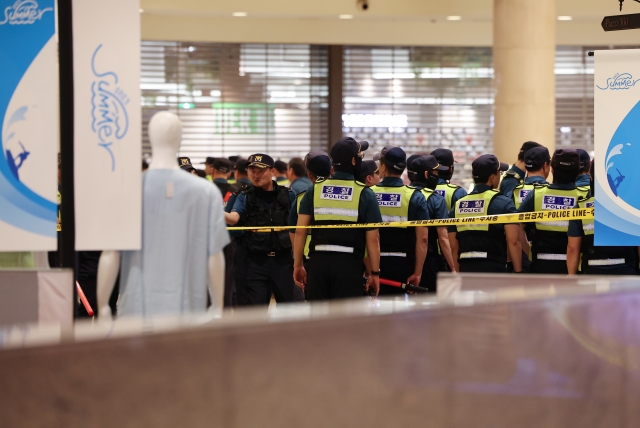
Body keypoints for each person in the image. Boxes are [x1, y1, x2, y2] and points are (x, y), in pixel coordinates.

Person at [293, 137, 381, 300]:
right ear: (354, 161)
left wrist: (298, 264)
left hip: (317, 264)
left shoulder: (314, 190)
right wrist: (374, 273)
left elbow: (300, 231)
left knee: (318, 318)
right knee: (344, 322)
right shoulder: (365, 193)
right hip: (348, 266)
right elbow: (373, 239)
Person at [225, 154, 297, 305]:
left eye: (261, 171)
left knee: (289, 308)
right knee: (255, 309)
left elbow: (297, 227)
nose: (256, 175)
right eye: (252, 171)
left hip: (282, 261)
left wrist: (298, 260)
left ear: (272, 171)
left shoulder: (288, 195)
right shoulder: (244, 196)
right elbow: (233, 218)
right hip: (255, 262)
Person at [448, 154, 521, 273]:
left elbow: (453, 246)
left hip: (466, 268)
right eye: (499, 173)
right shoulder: (504, 203)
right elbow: (513, 240)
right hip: (493, 269)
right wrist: (518, 272)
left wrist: (458, 273)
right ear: (492, 177)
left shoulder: (457, 206)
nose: (500, 176)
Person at [373, 147, 430, 295]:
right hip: (404, 264)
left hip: (375, 262)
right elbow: (423, 238)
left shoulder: (369, 194)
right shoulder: (415, 197)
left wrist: (369, 270)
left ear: (383, 167)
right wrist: (417, 273)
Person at [517, 149, 581, 274]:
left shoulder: (536, 194)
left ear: (552, 169)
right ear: (577, 171)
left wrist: (528, 252)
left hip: (541, 265)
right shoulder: (584, 197)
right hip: (572, 266)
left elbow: (516, 226)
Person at [567, 161, 638, 275]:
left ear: (591, 176)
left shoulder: (581, 206)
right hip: (625, 270)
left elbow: (572, 248)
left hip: (592, 271)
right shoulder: (629, 207)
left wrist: (571, 277)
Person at [408, 155, 456, 291]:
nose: (438, 174)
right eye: (435, 172)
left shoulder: (407, 194)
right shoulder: (436, 199)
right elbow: (443, 238)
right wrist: (453, 268)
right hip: (430, 261)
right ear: (426, 174)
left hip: (407, 259)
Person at [512, 146, 551, 273]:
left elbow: (514, 227)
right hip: (544, 255)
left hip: (517, 255)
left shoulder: (514, 192)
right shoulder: (548, 192)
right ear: (546, 165)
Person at [224, 158, 251, 305]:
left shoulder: (235, 191)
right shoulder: (268, 191)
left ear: (236, 172)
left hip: (237, 245)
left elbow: (228, 218)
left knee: (234, 285)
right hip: (263, 249)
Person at [211, 157, 236, 308]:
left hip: (209, 242)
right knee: (227, 283)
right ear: (230, 173)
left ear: (212, 170)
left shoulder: (206, 190)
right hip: (230, 242)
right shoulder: (236, 192)